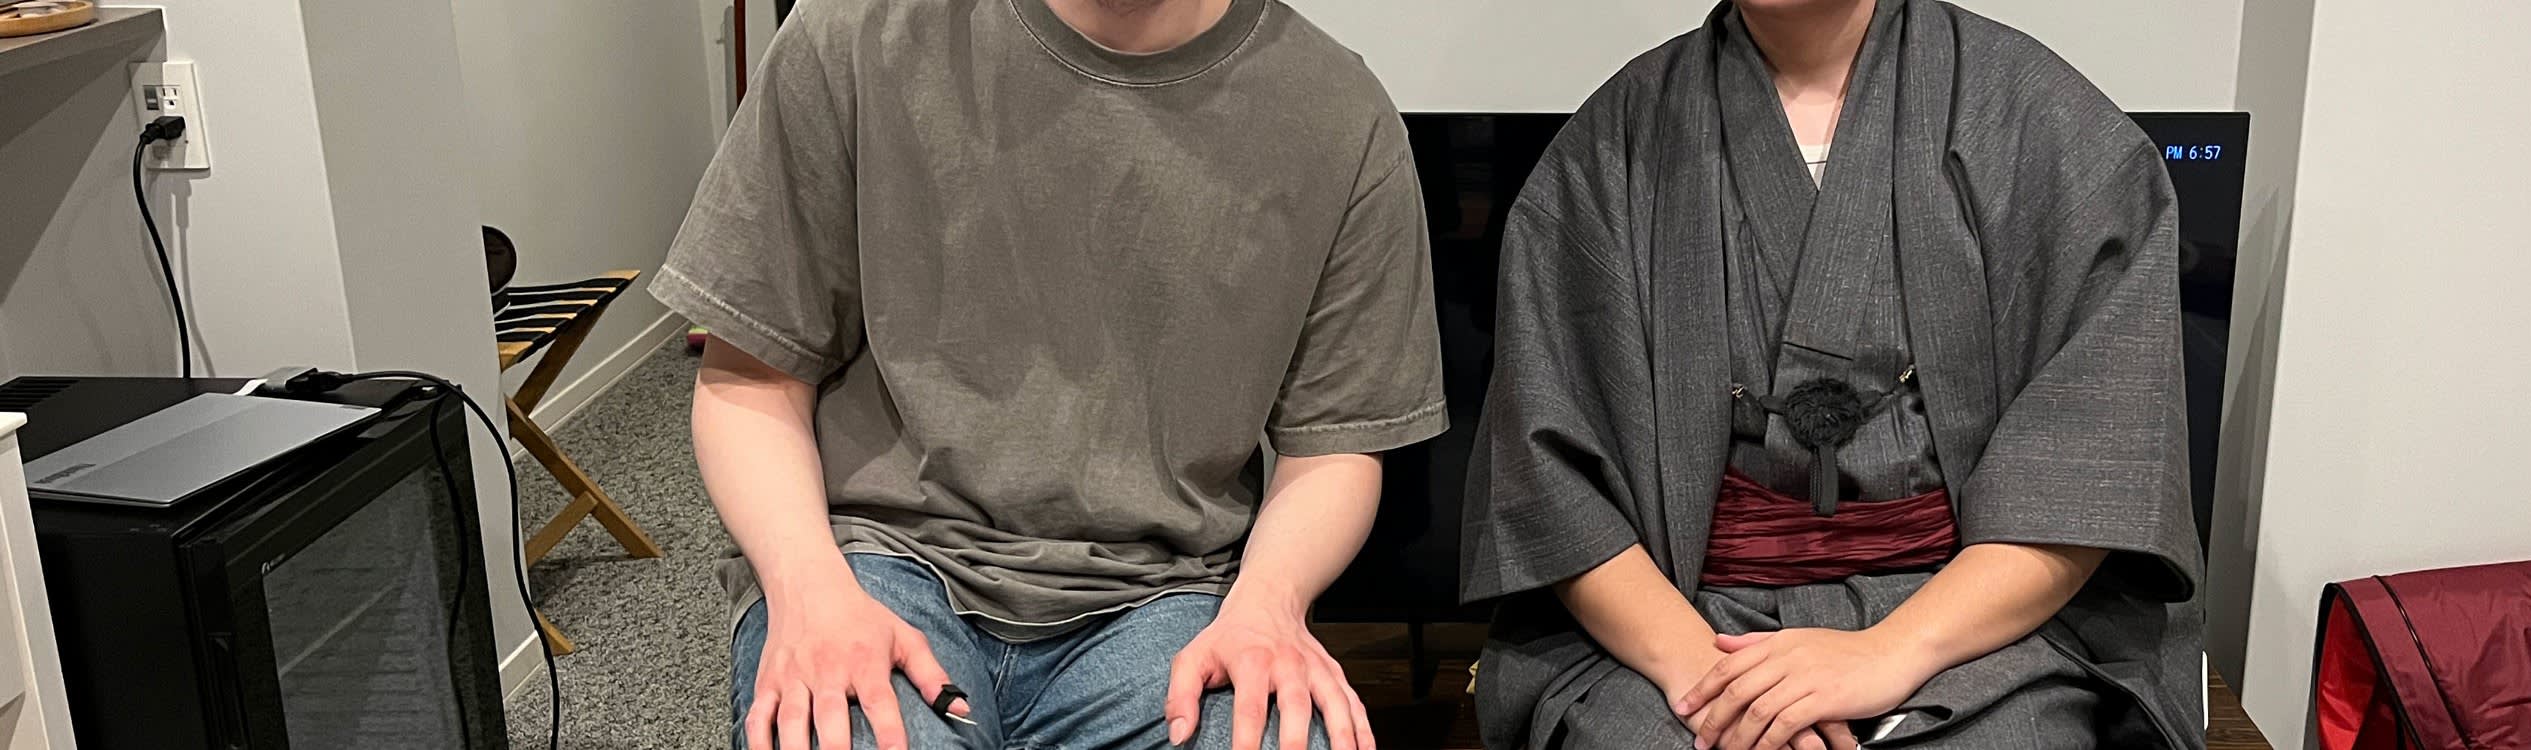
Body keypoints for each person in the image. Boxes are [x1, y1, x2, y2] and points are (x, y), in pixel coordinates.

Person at [653, 0, 1445, 747]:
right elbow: (752, 379)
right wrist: (807, 591)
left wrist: (1270, 605)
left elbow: (1334, 446)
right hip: (872, 559)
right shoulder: (855, 34)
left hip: (1168, 593)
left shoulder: (1339, 114)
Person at [1461, 0, 2203, 748]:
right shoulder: (1614, 142)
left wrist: (1891, 651)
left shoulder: (2040, 120)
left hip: (1971, 630)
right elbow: (1549, 482)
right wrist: (1708, 679)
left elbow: (2091, 471)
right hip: (1684, 629)